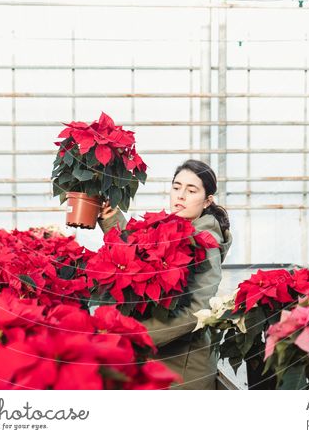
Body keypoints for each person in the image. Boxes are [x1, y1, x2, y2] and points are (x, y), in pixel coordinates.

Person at [97, 159, 232, 390]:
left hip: (184, 370)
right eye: (176, 187)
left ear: (207, 200)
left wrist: (133, 336)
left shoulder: (205, 241)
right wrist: (111, 217)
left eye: (191, 190)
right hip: (159, 360)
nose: (180, 195)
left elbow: (197, 310)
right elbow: (137, 252)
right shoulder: (174, 228)